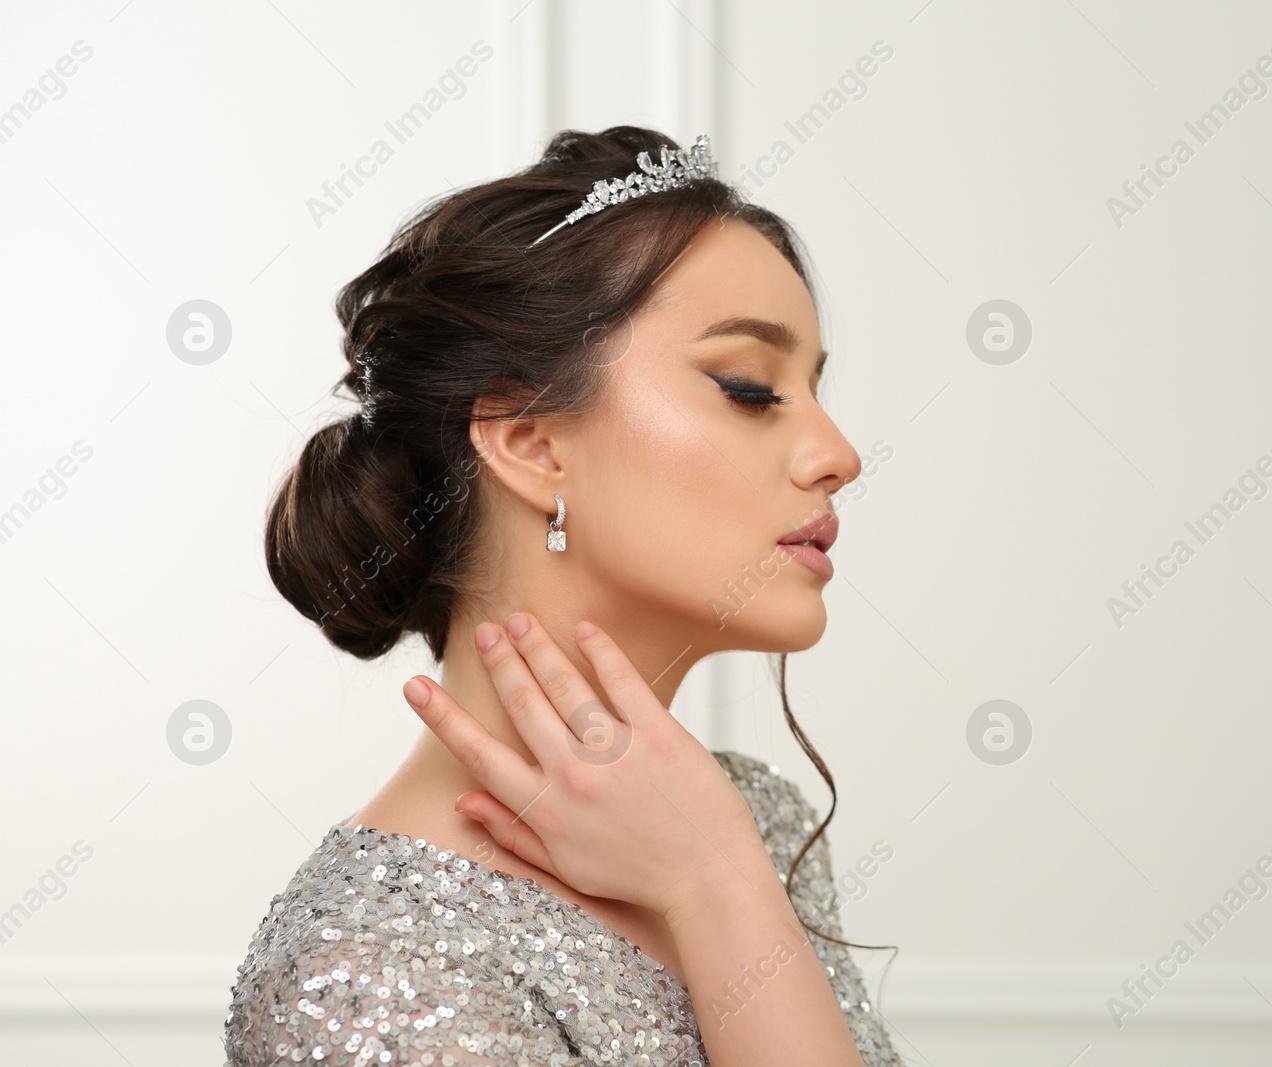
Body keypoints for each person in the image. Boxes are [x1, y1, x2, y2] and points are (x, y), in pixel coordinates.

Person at [221, 126, 904, 1067]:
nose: (839, 454)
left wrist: (720, 873)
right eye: (751, 388)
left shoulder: (756, 816)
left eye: (816, 389)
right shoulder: (368, 976)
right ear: (532, 443)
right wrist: (711, 882)